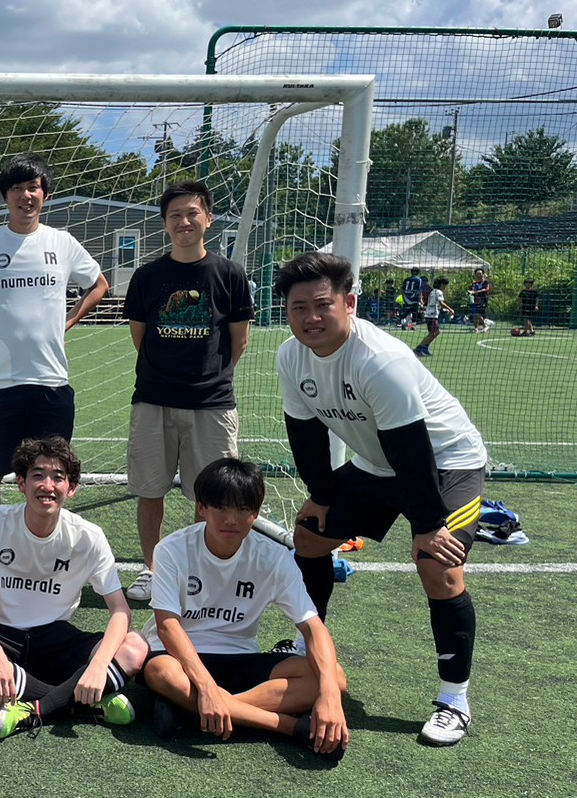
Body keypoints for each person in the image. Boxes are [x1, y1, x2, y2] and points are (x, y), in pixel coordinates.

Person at [276, 252, 488, 746]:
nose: (310, 317)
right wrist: (322, 498)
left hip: (447, 462)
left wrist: (428, 524)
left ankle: (454, 699)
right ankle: (310, 648)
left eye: (323, 305)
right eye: (298, 307)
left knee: (437, 567)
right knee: (309, 538)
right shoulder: (291, 356)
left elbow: (411, 450)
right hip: (378, 463)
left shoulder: (379, 359)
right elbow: (305, 435)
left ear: (349, 304)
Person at [139, 458, 348, 758]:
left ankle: (193, 710)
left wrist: (329, 696)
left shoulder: (274, 557)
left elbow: (312, 627)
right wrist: (206, 687)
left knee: (335, 677)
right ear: (202, 508)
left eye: (242, 509)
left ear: (256, 513)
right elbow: (167, 626)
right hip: (179, 656)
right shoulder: (172, 549)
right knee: (160, 672)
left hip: (239, 654)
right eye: (221, 507)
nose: (231, 519)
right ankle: (285, 725)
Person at [0, 436, 147, 739]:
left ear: (72, 488)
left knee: (135, 646)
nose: (47, 485)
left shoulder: (88, 536)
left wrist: (99, 664)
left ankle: (33, 709)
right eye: (38, 475)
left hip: (54, 639)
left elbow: (120, 611)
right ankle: (84, 703)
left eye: (58, 477)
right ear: (21, 483)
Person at [0, 154, 109, 513]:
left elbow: (99, 284)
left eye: (33, 187)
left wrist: (69, 320)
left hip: (50, 381)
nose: (26, 195)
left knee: (51, 474)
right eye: (17, 188)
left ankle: (44, 543)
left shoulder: (62, 243)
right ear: (6, 196)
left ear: (45, 194)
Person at [121, 180, 254, 604]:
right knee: (150, 490)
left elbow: (239, 340)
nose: (184, 221)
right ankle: (154, 569)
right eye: (175, 215)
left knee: (215, 496)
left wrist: (209, 379)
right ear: (165, 223)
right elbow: (140, 336)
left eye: (192, 213)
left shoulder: (229, 274)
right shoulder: (147, 276)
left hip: (211, 405)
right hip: (153, 400)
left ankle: (205, 572)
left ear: (208, 219)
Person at [414, 276, 455, 358]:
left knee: (436, 332)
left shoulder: (433, 291)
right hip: (432, 315)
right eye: (445, 285)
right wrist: (450, 309)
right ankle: (419, 348)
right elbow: (441, 303)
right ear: (441, 285)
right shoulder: (439, 292)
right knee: (433, 332)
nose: (445, 287)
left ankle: (425, 348)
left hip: (430, 314)